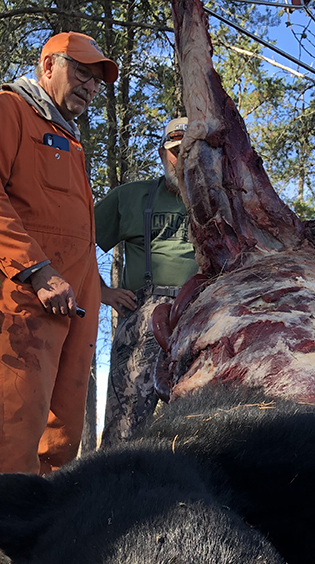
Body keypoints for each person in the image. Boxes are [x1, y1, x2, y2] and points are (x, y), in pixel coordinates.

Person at [0, 32, 133, 564]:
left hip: (72, 301)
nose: (88, 87)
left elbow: (72, 234)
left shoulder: (69, 140)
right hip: (18, 297)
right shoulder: (4, 110)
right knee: (17, 421)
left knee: (64, 429)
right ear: (47, 65)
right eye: (80, 73)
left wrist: (97, 288)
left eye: (96, 81)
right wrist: (36, 270)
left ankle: (38, 545)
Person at [94, 116, 199, 445]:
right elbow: (74, 239)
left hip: (202, 316)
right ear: (161, 153)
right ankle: (113, 491)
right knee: (124, 431)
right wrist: (101, 290)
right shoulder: (130, 197)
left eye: (192, 151)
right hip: (144, 316)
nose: (182, 159)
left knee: (197, 425)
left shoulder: (221, 201)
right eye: (176, 150)